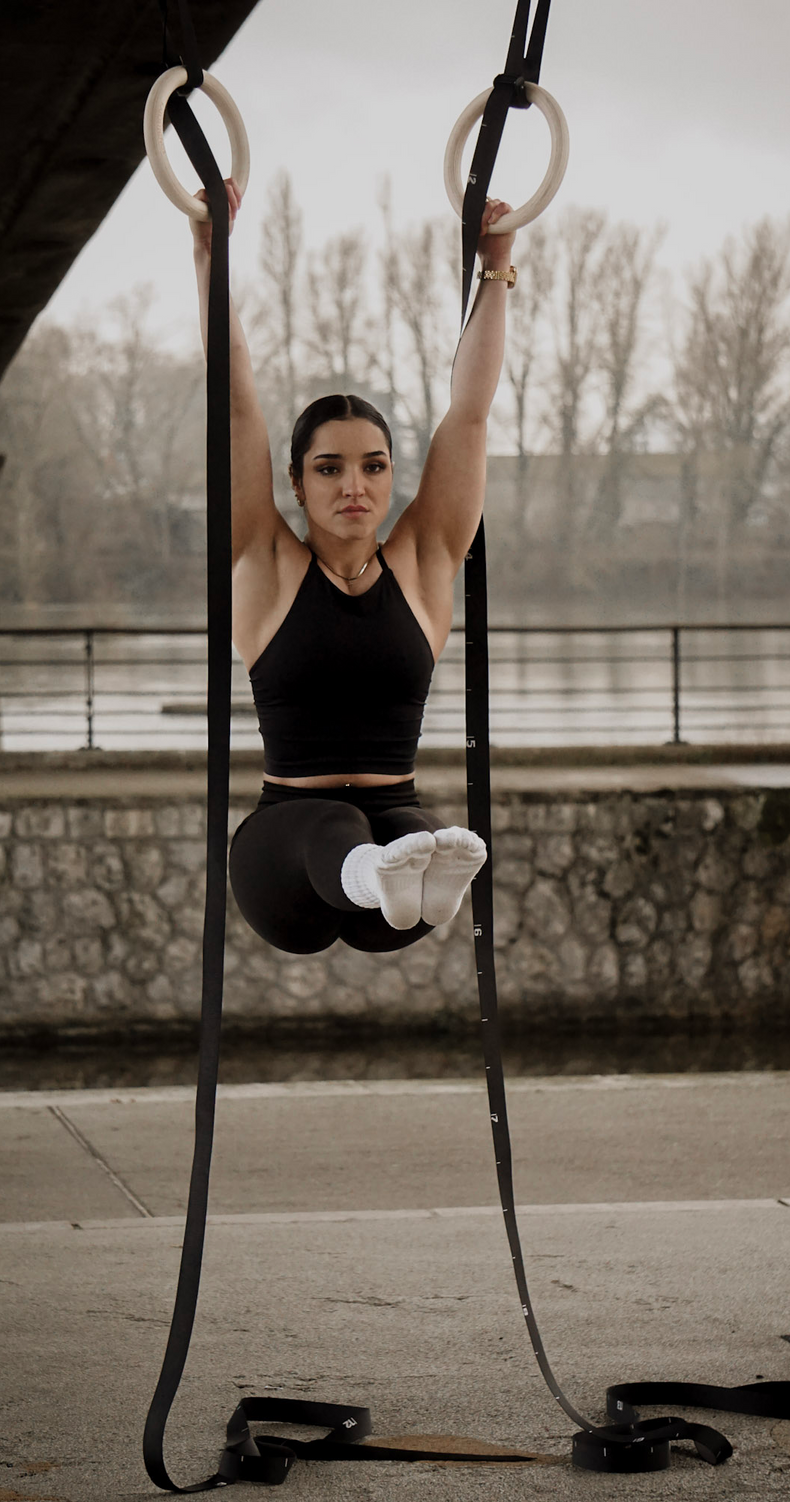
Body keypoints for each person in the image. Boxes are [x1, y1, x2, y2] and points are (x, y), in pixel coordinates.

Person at [191, 179, 516, 956]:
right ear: (296, 483)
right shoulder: (263, 563)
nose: (354, 486)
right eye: (329, 469)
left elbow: (468, 413)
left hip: (396, 863)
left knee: (414, 829)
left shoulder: (426, 558)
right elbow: (236, 406)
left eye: (372, 466)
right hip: (286, 862)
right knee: (342, 828)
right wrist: (211, 250)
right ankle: (381, 873)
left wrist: (497, 265)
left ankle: (405, 879)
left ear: (392, 478)